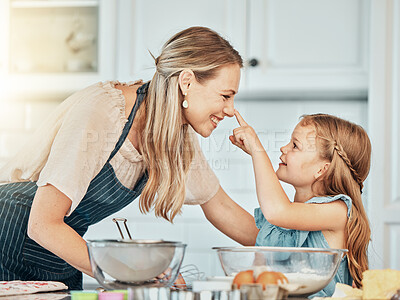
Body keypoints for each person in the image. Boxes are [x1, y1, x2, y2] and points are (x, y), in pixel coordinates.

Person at [0, 26, 259, 289]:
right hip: (8, 241)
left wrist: (286, 250)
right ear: (187, 81)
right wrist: (128, 273)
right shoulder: (103, 110)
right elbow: (43, 224)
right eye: (226, 96)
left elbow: (220, 207)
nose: (230, 110)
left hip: (59, 252)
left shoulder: (174, 132)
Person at [230, 111, 371, 297]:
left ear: (322, 169)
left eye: (295, 145)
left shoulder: (338, 211)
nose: (283, 148)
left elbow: (277, 211)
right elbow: (224, 212)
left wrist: (257, 150)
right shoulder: (286, 224)